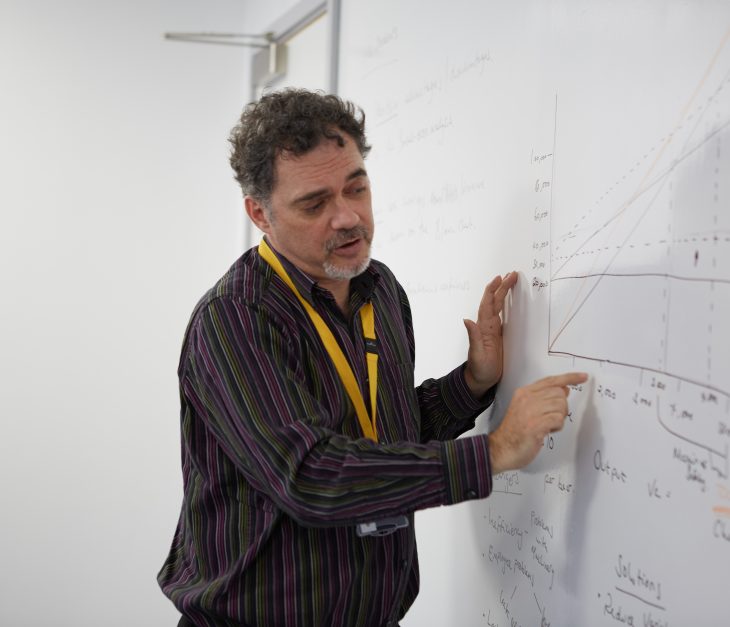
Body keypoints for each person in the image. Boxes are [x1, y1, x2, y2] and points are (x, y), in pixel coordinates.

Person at [158, 88, 587, 627]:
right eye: (314, 204)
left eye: (356, 188)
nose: (347, 217)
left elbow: (381, 441)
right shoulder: (235, 319)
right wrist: (493, 452)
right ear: (260, 214)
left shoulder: (380, 290)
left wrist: (473, 384)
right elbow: (311, 475)